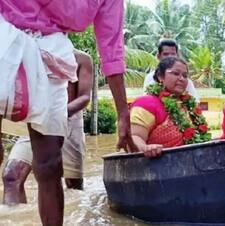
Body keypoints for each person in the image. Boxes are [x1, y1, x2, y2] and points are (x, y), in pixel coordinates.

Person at [0, 2, 134, 225]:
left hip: (52, 56)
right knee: (12, 174)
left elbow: (111, 49)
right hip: (4, 38)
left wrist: (123, 112)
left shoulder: (81, 59)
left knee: (50, 164)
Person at [2, 50, 93, 204]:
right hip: (35, 120)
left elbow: (84, 97)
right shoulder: (28, 50)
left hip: (69, 122)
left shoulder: (82, 59)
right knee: (11, 176)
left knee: (73, 186)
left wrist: (58, 113)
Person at [130, 57, 211, 158]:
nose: (181, 78)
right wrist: (146, 148)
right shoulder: (146, 103)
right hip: (158, 168)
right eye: (176, 73)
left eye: (185, 76)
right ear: (160, 76)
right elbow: (133, 137)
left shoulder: (189, 106)